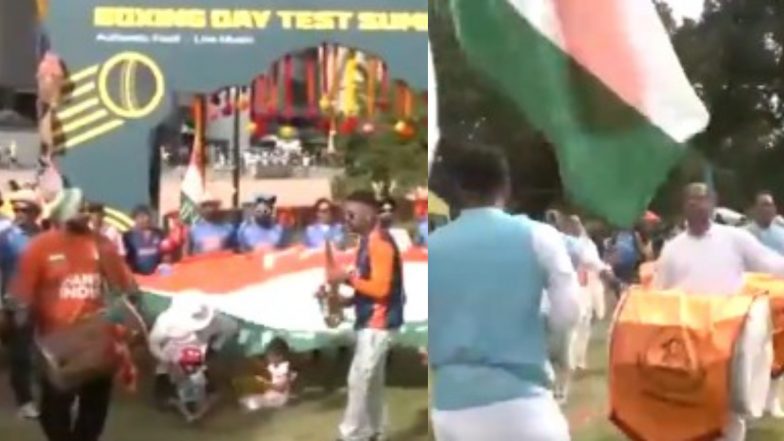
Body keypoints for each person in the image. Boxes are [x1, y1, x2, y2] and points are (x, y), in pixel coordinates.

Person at [429, 144, 580, 441]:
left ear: (458, 190)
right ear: (506, 186)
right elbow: (568, 313)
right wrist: (546, 343)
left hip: (451, 406)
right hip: (522, 400)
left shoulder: (432, 246)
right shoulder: (538, 235)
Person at [654, 183, 784, 441]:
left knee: (731, 403)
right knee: (693, 399)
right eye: (691, 199)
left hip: (729, 334)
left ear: (713, 203)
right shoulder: (672, 249)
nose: (697, 204)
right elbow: (660, 294)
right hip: (688, 337)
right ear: (684, 206)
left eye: (703, 198)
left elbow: (773, 264)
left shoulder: (734, 239)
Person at [11, 188, 136, 441]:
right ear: (61, 213)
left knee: (94, 409)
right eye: (77, 207)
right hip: (57, 345)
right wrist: (21, 320)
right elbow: (22, 295)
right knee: (54, 411)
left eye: (85, 207)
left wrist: (121, 320)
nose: (83, 213)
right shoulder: (40, 247)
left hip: (96, 340)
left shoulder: (102, 244)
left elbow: (126, 289)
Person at [320, 190, 404, 441]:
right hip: (371, 320)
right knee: (371, 383)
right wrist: (342, 300)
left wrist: (346, 277)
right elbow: (368, 289)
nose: (346, 220)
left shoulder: (380, 243)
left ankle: (351, 434)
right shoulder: (367, 242)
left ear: (369, 215)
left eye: (351, 214)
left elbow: (381, 288)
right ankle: (375, 431)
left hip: (379, 323)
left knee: (359, 380)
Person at [0, 189, 43, 419]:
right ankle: (24, 400)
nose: (19, 213)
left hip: (40, 304)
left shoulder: (46, 236)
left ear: (36, 212)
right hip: (13, 304)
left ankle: (34, 400)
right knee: (19, 354)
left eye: (24, 209)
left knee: (35, 354)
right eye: (16, 209)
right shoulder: (5, 235)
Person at [745, 190, 784, 417]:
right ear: (754, 209)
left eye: (770, 205)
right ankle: (751, 401)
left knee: (780, 353)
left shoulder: (782, 234)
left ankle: (772, 400)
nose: (767, 209)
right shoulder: (745, 236)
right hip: (754, 302)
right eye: (762, 205)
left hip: (781, 305)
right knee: (754, 353)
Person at [123, 205, 165, 275]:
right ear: (135, 219)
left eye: (147, 216)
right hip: (137, 277)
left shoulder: (159, 233)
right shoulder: (128, 236)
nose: (145, 219)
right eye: (141, 217)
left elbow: (165, 252)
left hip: (157, 277)